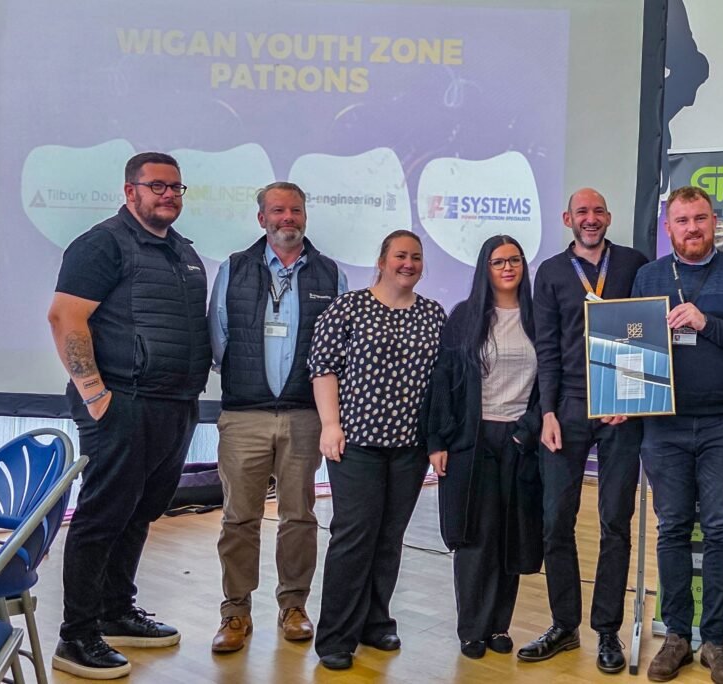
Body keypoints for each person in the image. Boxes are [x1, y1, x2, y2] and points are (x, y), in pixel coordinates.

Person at [47, 152, 211, 679]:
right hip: (121, 402)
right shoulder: (102, 243)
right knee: (102, 517)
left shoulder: (182, 252)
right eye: (157, 186)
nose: (168, 195)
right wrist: (96, 395)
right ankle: (77, 637)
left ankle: (117, 612)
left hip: (174, 405)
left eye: (176, 188)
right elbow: (65, 316)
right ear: (130, 191)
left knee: (140, 512)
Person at [634, 186, 723, 684]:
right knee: (672, 529)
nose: (691, 228)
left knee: (719, 531)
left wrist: (707, 322)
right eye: (681, 221)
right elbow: (628, 343)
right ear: (668, 227)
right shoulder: (649, 276)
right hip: (662, 425)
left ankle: (715, 642)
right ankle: (676, 636)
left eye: (699, 219)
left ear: (714, 221)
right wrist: (617, 399)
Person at [208, 182, 348, 652]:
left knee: (300, 517)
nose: (288, 218)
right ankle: (235, 613)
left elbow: (339, 349)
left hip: (305, 416)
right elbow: (219, 338)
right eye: (278, 210)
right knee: (239, 518)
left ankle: (294, 606)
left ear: (305, 215)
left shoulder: (331, 274)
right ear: (261, 218)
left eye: (295, 210)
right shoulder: (234, 269)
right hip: (244, 415)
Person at [519, 187, 648, 674]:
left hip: (619, 409)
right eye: (581, 212)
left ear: (608, 217)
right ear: (567, 217)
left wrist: (629, 397)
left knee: (616, 520)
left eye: (597, 212)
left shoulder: (635, 263)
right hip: (568, 407)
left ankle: (608, 630)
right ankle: (564, 625)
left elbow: (645, 330)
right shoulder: (551, 272)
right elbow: (546, 348)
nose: (590, 219)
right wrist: (547, 412)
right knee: (556, 519)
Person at [308, 229, 446, 670]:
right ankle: (335, 635)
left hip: (410, 446)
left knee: (389, 538)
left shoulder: (432, 315)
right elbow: (323, 368)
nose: (409, 264)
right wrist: (330, 424)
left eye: (416, 257)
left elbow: (442, 381)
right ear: (382, 260)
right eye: (401, 256)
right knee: (354, 536)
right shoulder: (349, 308)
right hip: (357, 443)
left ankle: (375, 620)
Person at [426, 235, 543, 659]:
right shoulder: (464, 318)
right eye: (498, 261)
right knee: (475, 537)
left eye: (515, 260)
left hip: (519, 441)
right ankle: (471, 629)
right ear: (485, 268)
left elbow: (550, 384)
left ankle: (498, 625)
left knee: (510, 537)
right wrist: (437, 441)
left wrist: (526, 430)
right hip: (471, 442)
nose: (508, 268)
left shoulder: (539, 318)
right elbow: (443, 383)